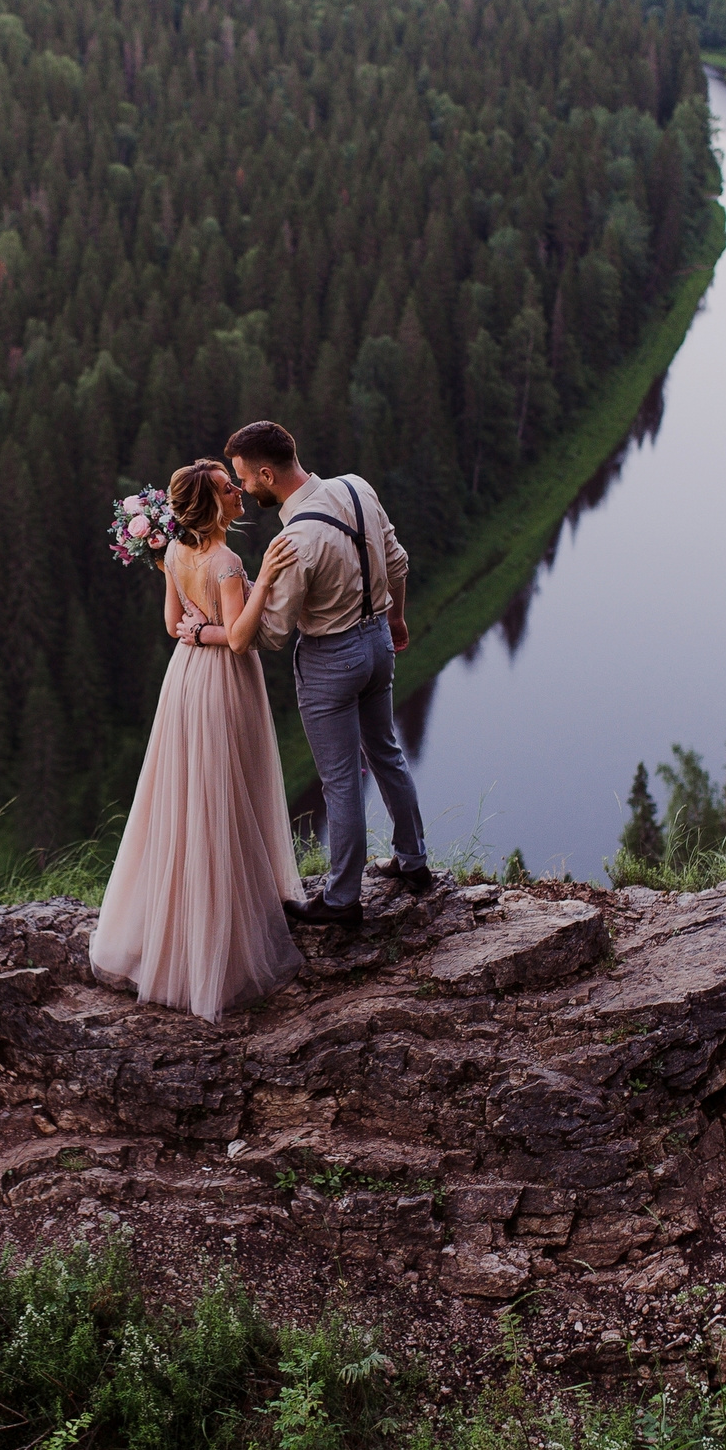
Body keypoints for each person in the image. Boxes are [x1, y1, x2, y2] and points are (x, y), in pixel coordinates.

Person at [91, 459, 308, 1021]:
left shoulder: (174, 555)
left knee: (187, 798)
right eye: (228, 489)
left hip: (185, 680)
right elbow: (239, 638)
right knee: (224, 795)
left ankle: (181, 930)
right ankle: (223, 947)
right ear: (213, 506)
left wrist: (196, 628)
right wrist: (266, 579)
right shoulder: (228, 562)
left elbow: (173, 626)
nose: (239, 492)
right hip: (223, 683)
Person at [221, 421, 432, 925]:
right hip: (379, 640)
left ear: (267, 473)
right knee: (386, 752)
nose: (244, 489)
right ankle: (414, 862)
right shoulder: (357, 486)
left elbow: (271, 634)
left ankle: (341, 900)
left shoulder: (296, 540)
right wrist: (396, 617)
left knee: (339, 780)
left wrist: (250, 592)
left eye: (245, 479)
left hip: (330, 662)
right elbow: (398, 562)